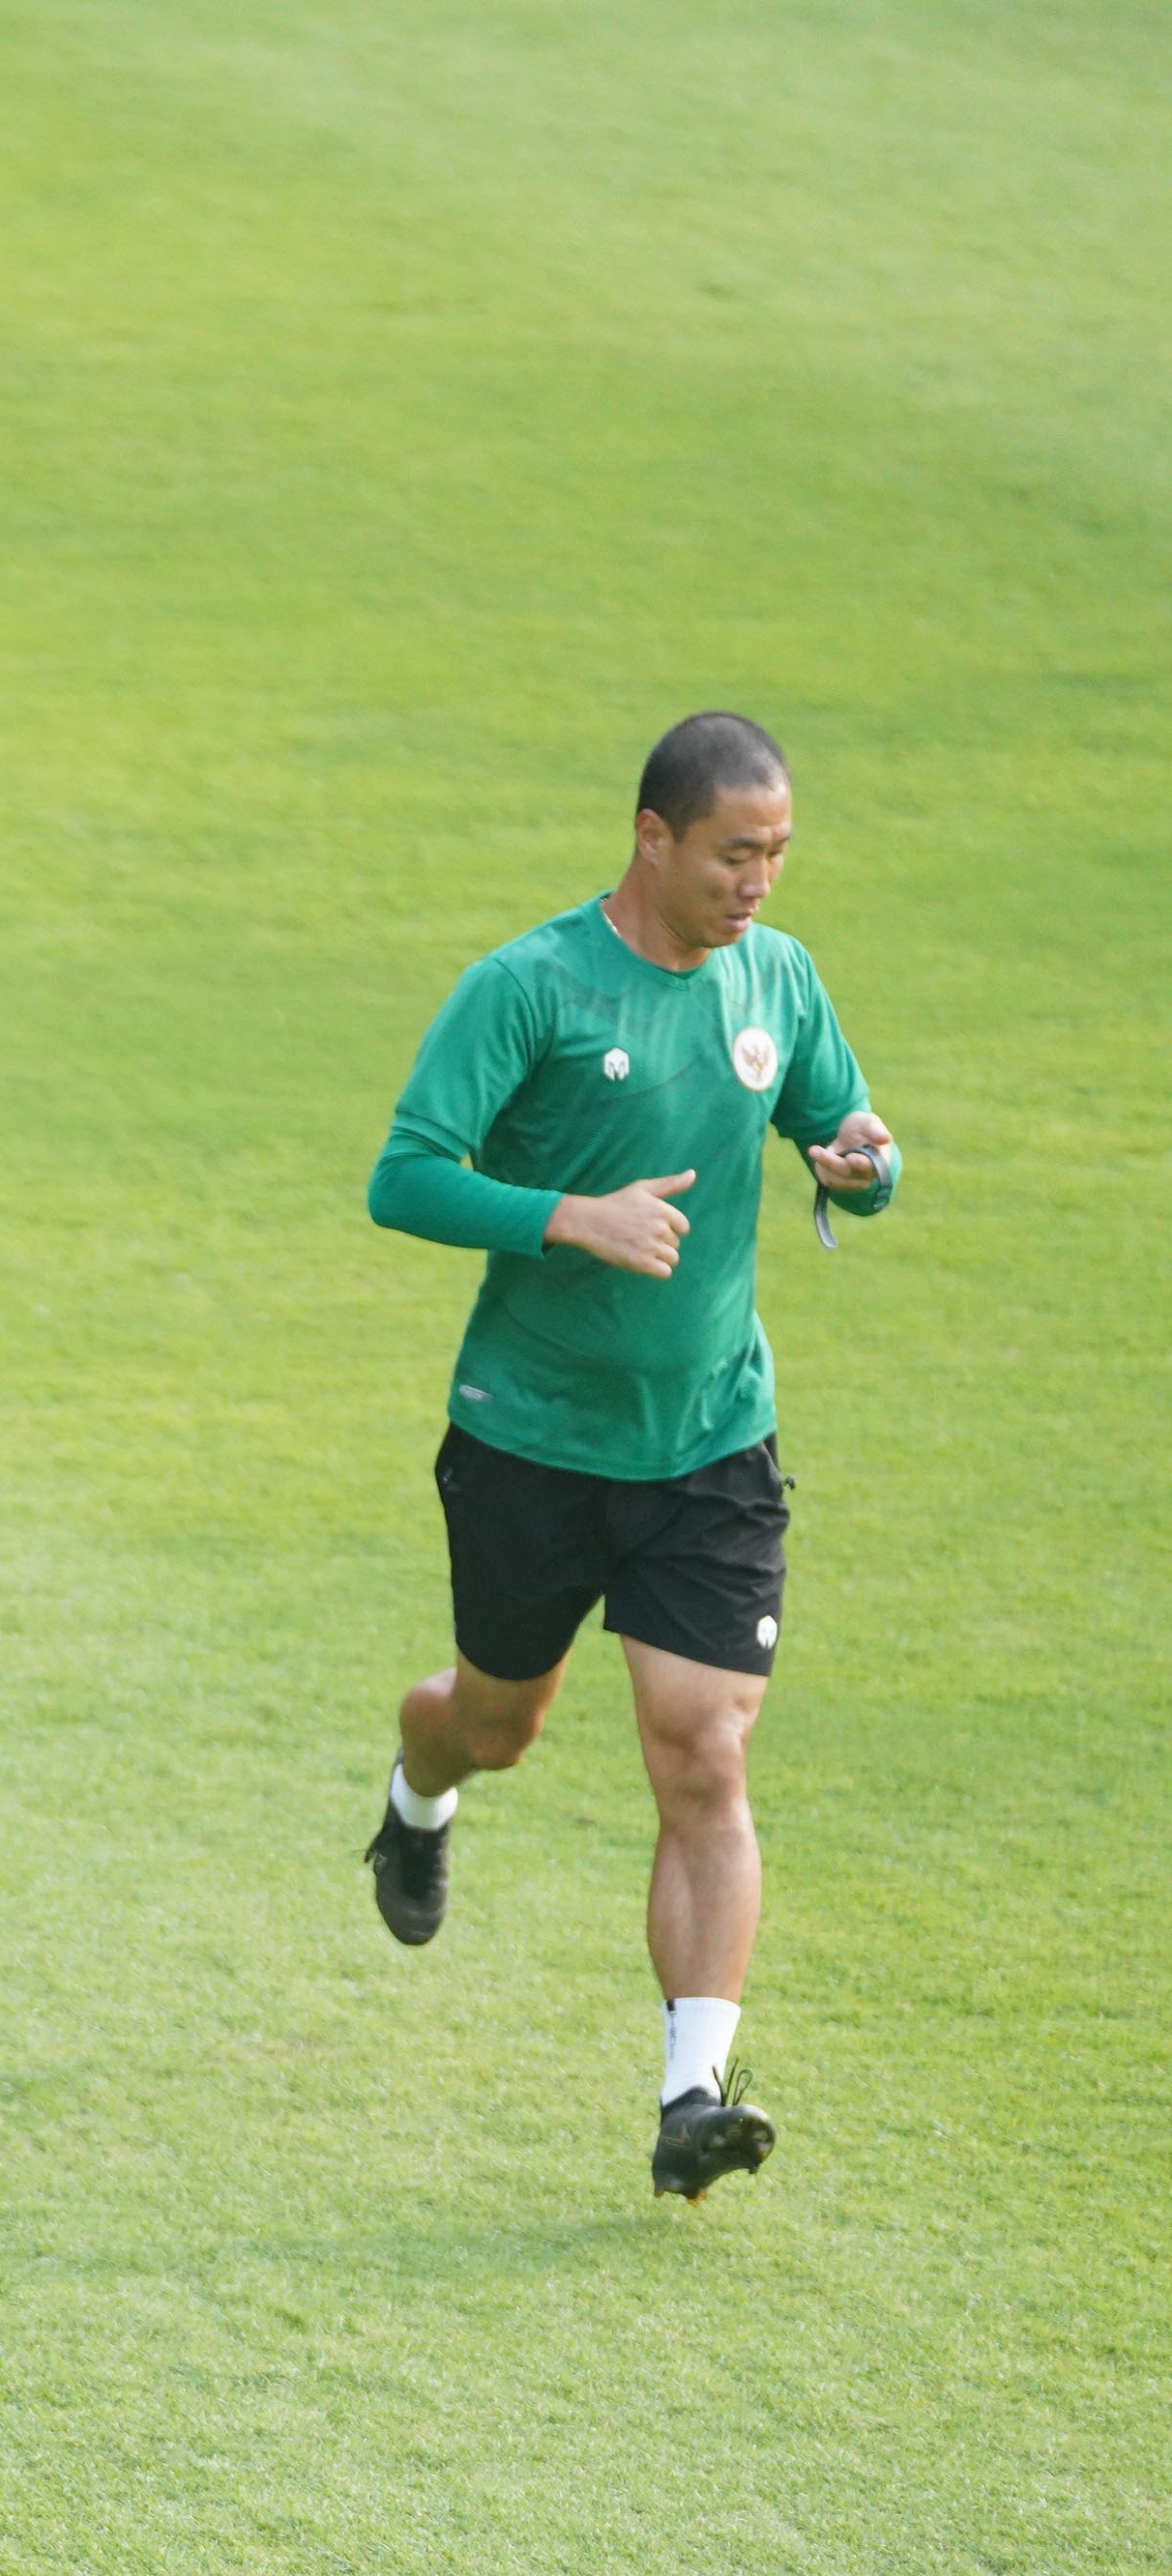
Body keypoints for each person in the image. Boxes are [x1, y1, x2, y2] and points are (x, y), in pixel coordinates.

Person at [361, 712, 900, 2203]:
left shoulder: (777, 978)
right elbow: (403, 1176)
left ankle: (690, 2096)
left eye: (778, 853)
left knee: (703, 1750)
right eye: (734, 853)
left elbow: (846, 1121)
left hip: (711, 1440)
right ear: (652, 838)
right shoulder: (529, 988)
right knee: (494, 1726)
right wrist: (567, 1216)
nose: (758, 883)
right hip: (529, 1439)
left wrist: (865, 1163)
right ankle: (417, 1795)